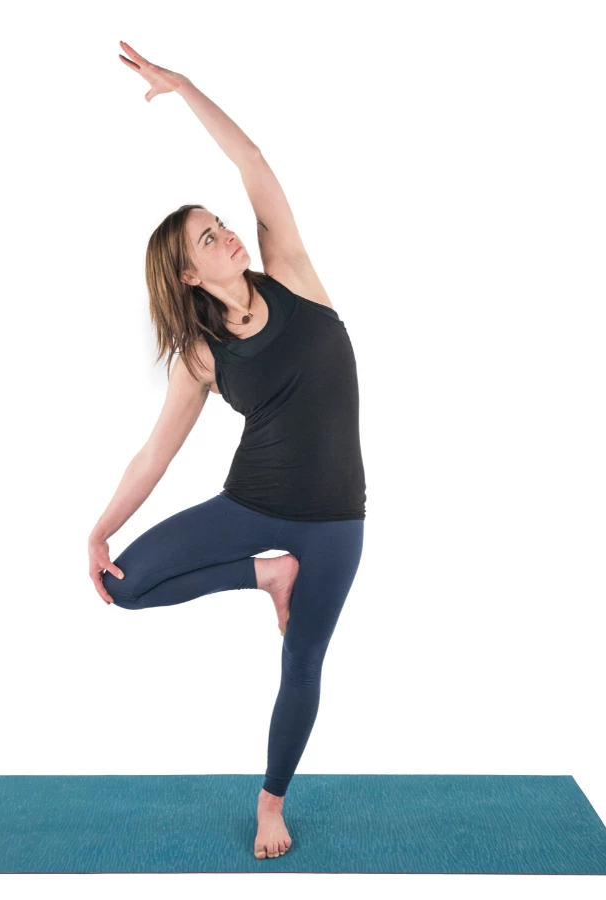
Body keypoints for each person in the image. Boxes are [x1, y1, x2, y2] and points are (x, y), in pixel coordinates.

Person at [87, 42, 367, 862]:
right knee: (127, 587)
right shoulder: (201, 358)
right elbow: (152, 459)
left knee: (303, 662)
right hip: (250, 506)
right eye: (207, 240)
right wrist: (96, 529)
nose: (227, 237)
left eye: (219, 226)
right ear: (185, 276)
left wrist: (184, 89)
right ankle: (264, 573)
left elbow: (251, 159)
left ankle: (270, 800)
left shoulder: (292, 271)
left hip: (337, 519)